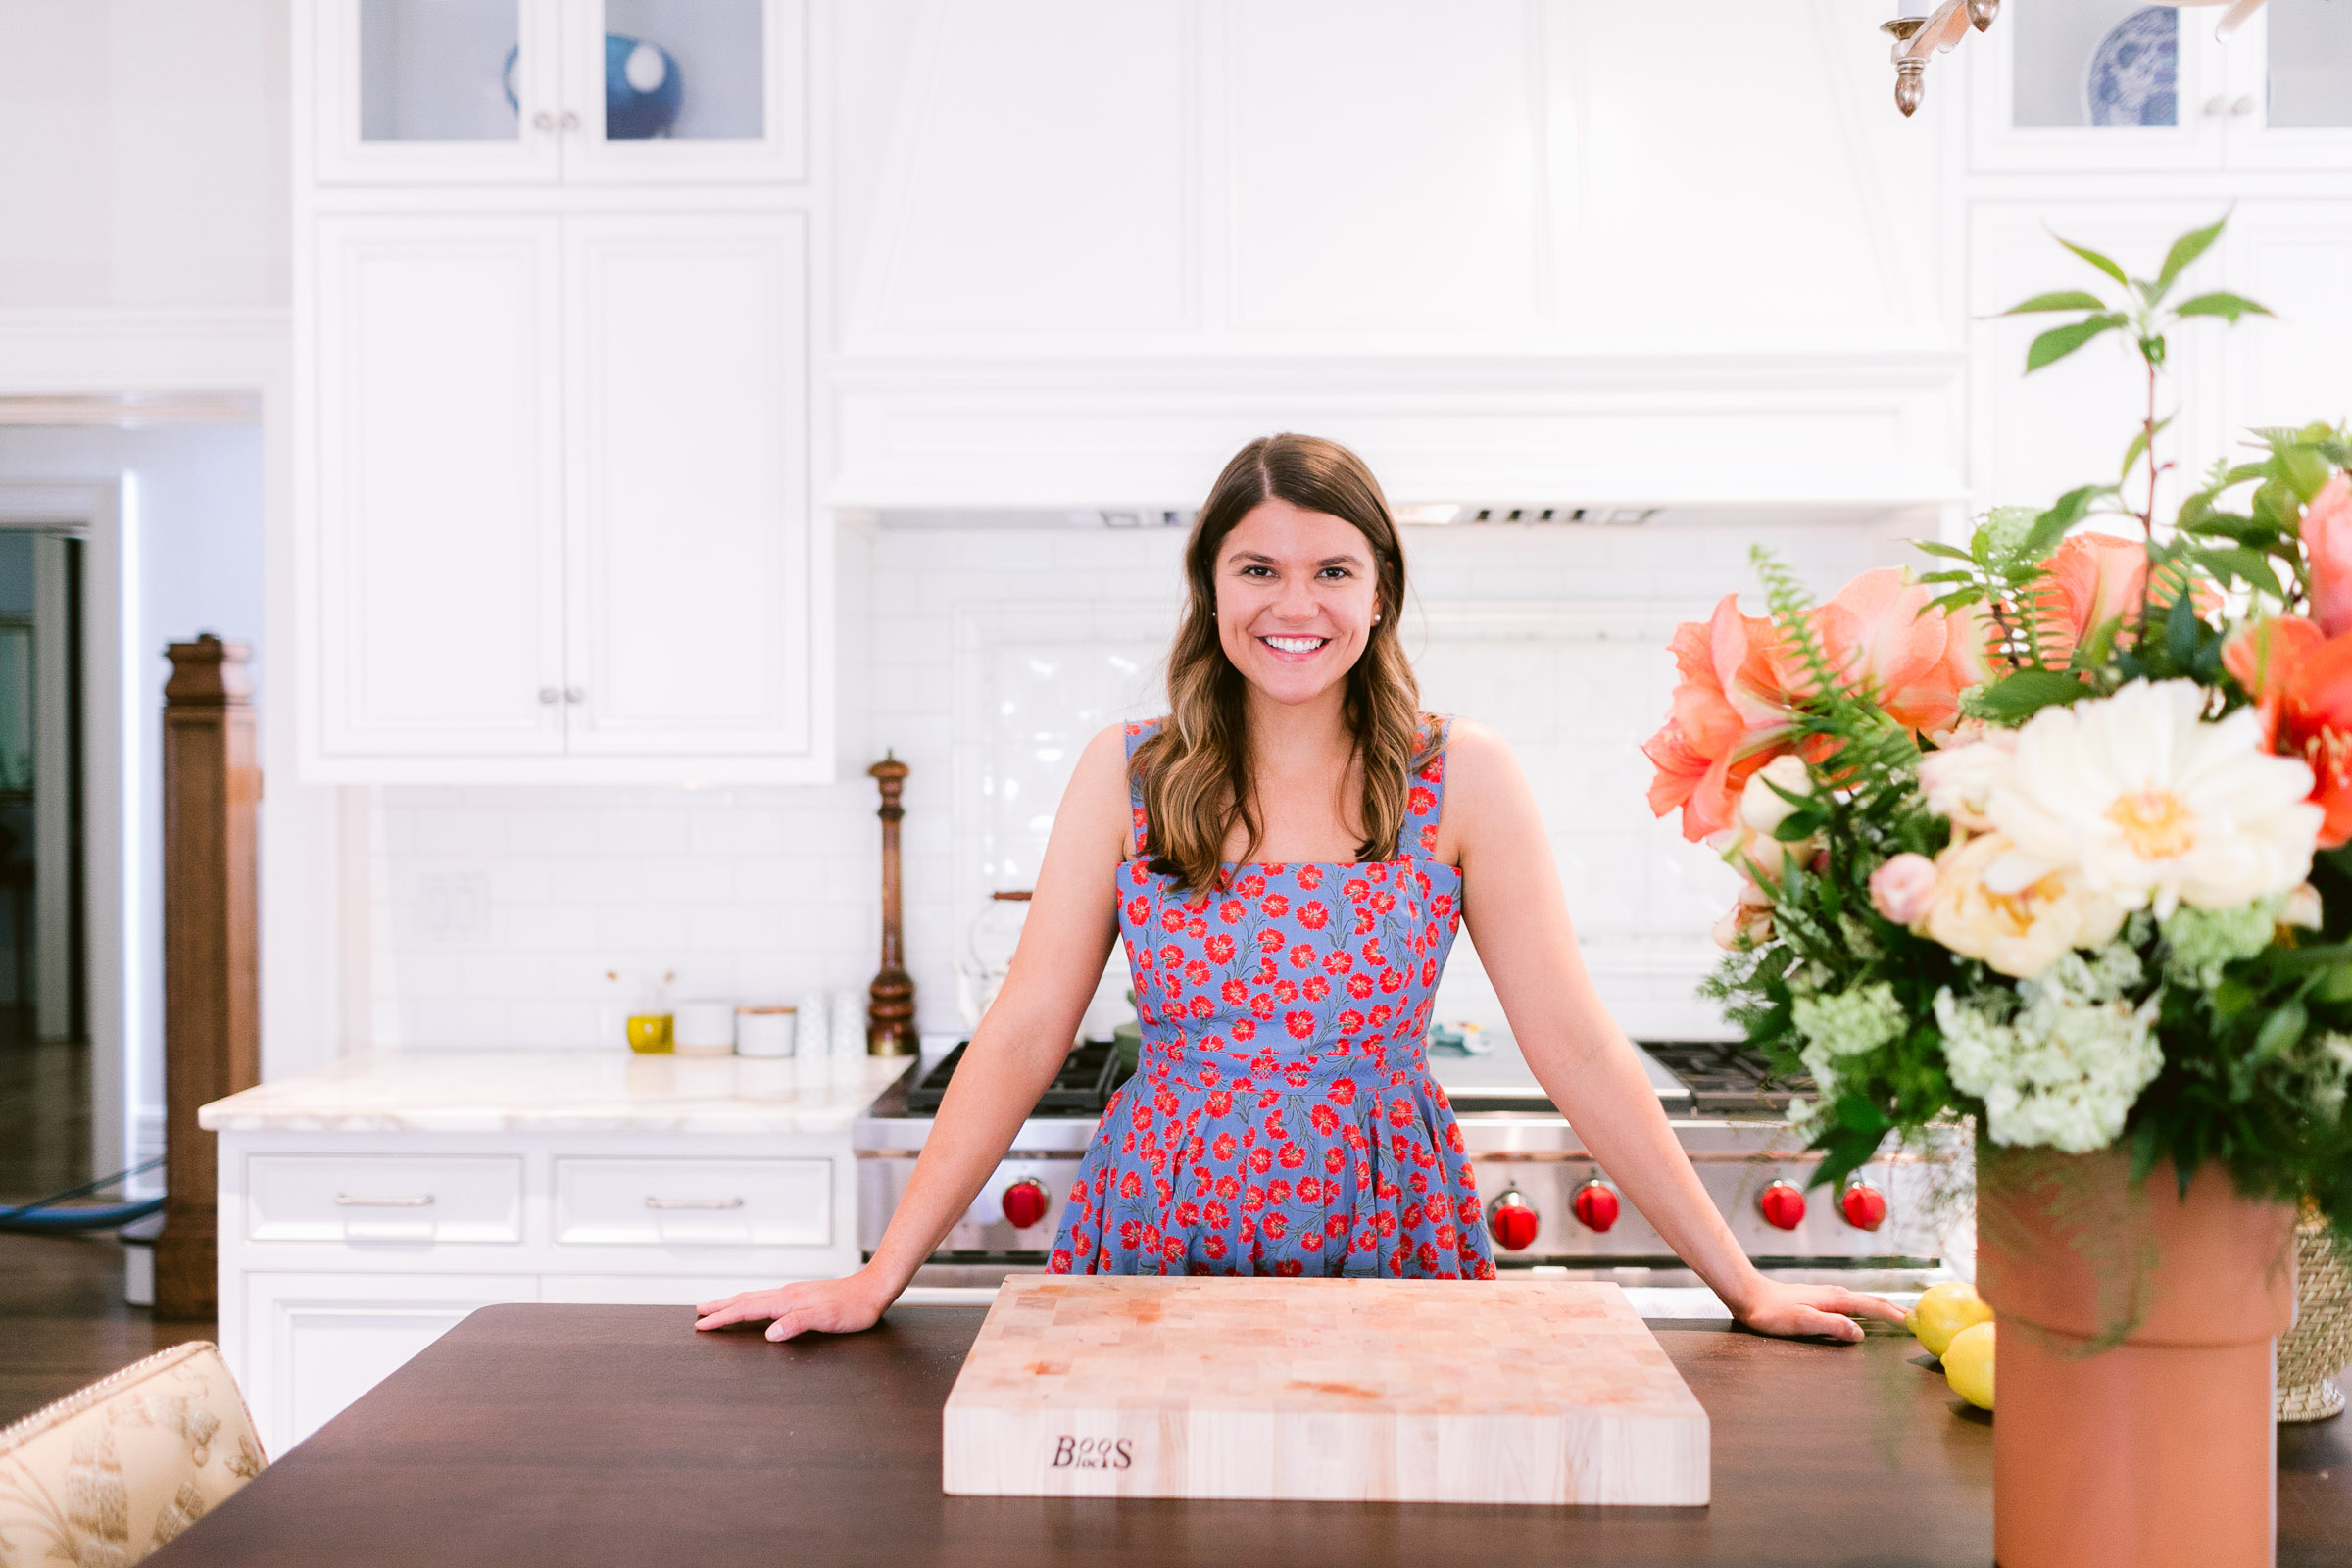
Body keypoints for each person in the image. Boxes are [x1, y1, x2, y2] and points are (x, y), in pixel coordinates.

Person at [696, 433, 1907, 1343]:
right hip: (1158, 1234)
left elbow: (1580, 1048)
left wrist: (1740, 1285)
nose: (1295, 604)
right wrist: (878, 1276)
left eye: (1332, 568)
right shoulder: (1127, 775)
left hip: (1386, 1224)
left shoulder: (1461, 776)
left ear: (1379, 587)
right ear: (1210, 588)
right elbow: (1018, 1035)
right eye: (1257, 567)